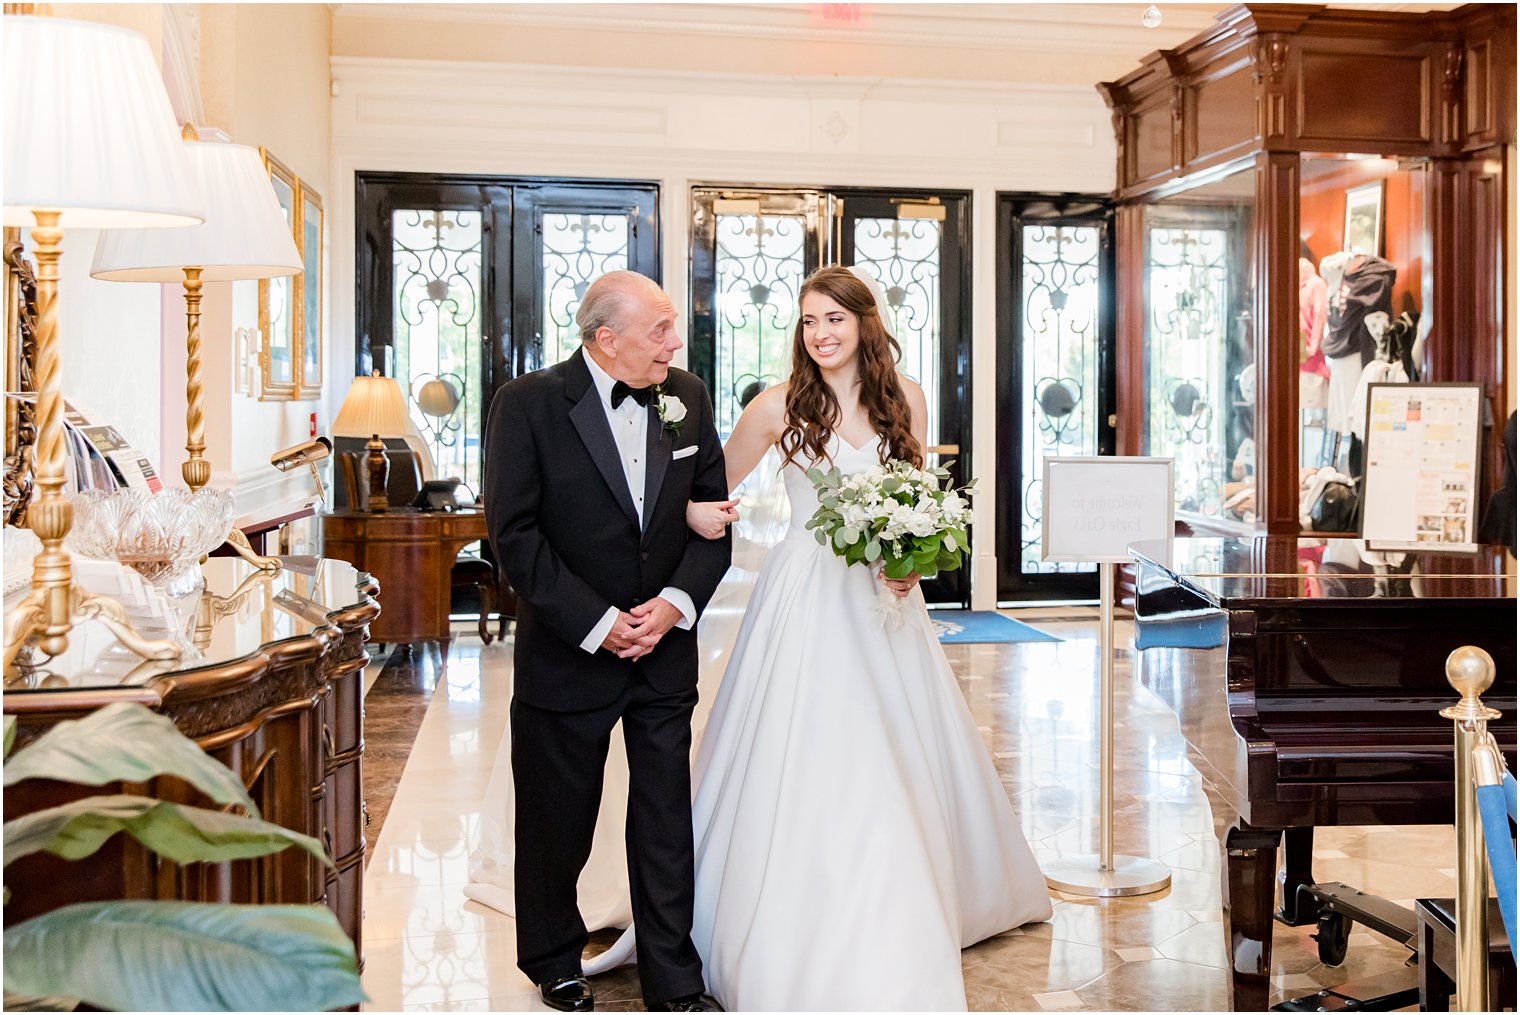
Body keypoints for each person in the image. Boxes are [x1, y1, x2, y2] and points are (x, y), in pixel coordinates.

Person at [587, 265, 1051, 1010]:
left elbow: (917, 505)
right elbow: (702, 489)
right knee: (806, 750)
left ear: (866, 322)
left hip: (885, 606)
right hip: (804, 594)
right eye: (808, 321)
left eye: (834, 318)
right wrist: (685, 531)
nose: (821, 334)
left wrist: (911, 567)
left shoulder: (908, 401)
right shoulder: (777, 407)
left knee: (897, 751)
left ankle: (904, 902)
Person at [482, 270, 731, 1013]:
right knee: (558, 816)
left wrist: (674, 605)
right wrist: (598, 623)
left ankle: (673, 978)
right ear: (605, 338)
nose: (674, 343)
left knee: (662, 821)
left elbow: (714, 519)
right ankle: (554, 957)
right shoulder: (525, 406)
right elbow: (515, 538)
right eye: (659, 329)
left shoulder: (687, 395)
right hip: (567, 650)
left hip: (663, 651)